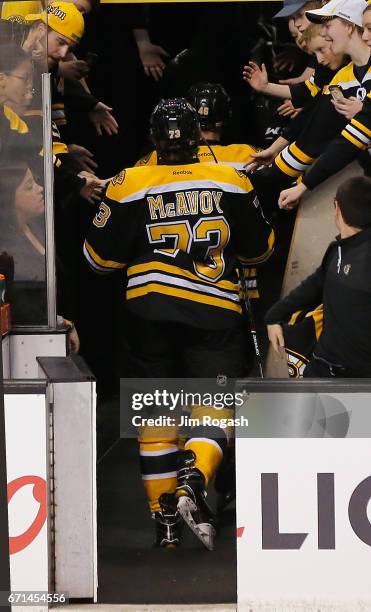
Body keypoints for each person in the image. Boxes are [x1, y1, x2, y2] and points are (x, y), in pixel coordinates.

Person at [84, 98, 274, 549]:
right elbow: (261, 249)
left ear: (152, 139)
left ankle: (164, 521)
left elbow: (97, 259)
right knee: (214, 407)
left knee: (156, 414)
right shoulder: (230, 178)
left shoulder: (130, 182)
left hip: (148, 314)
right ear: (196, 139)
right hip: (216, 312)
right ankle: (195, 473)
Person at [265, 176, 371, 378]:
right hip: (326, 366)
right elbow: (313, 286)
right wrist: (274, 316)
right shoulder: (338, 249)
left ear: (337, 208)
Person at [279, 0, 371, 208]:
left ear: (348, 26)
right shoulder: (342, 77)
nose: (365, 35)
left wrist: (302, 185)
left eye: (328, 25)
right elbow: (314, 123)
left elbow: (349, 141)